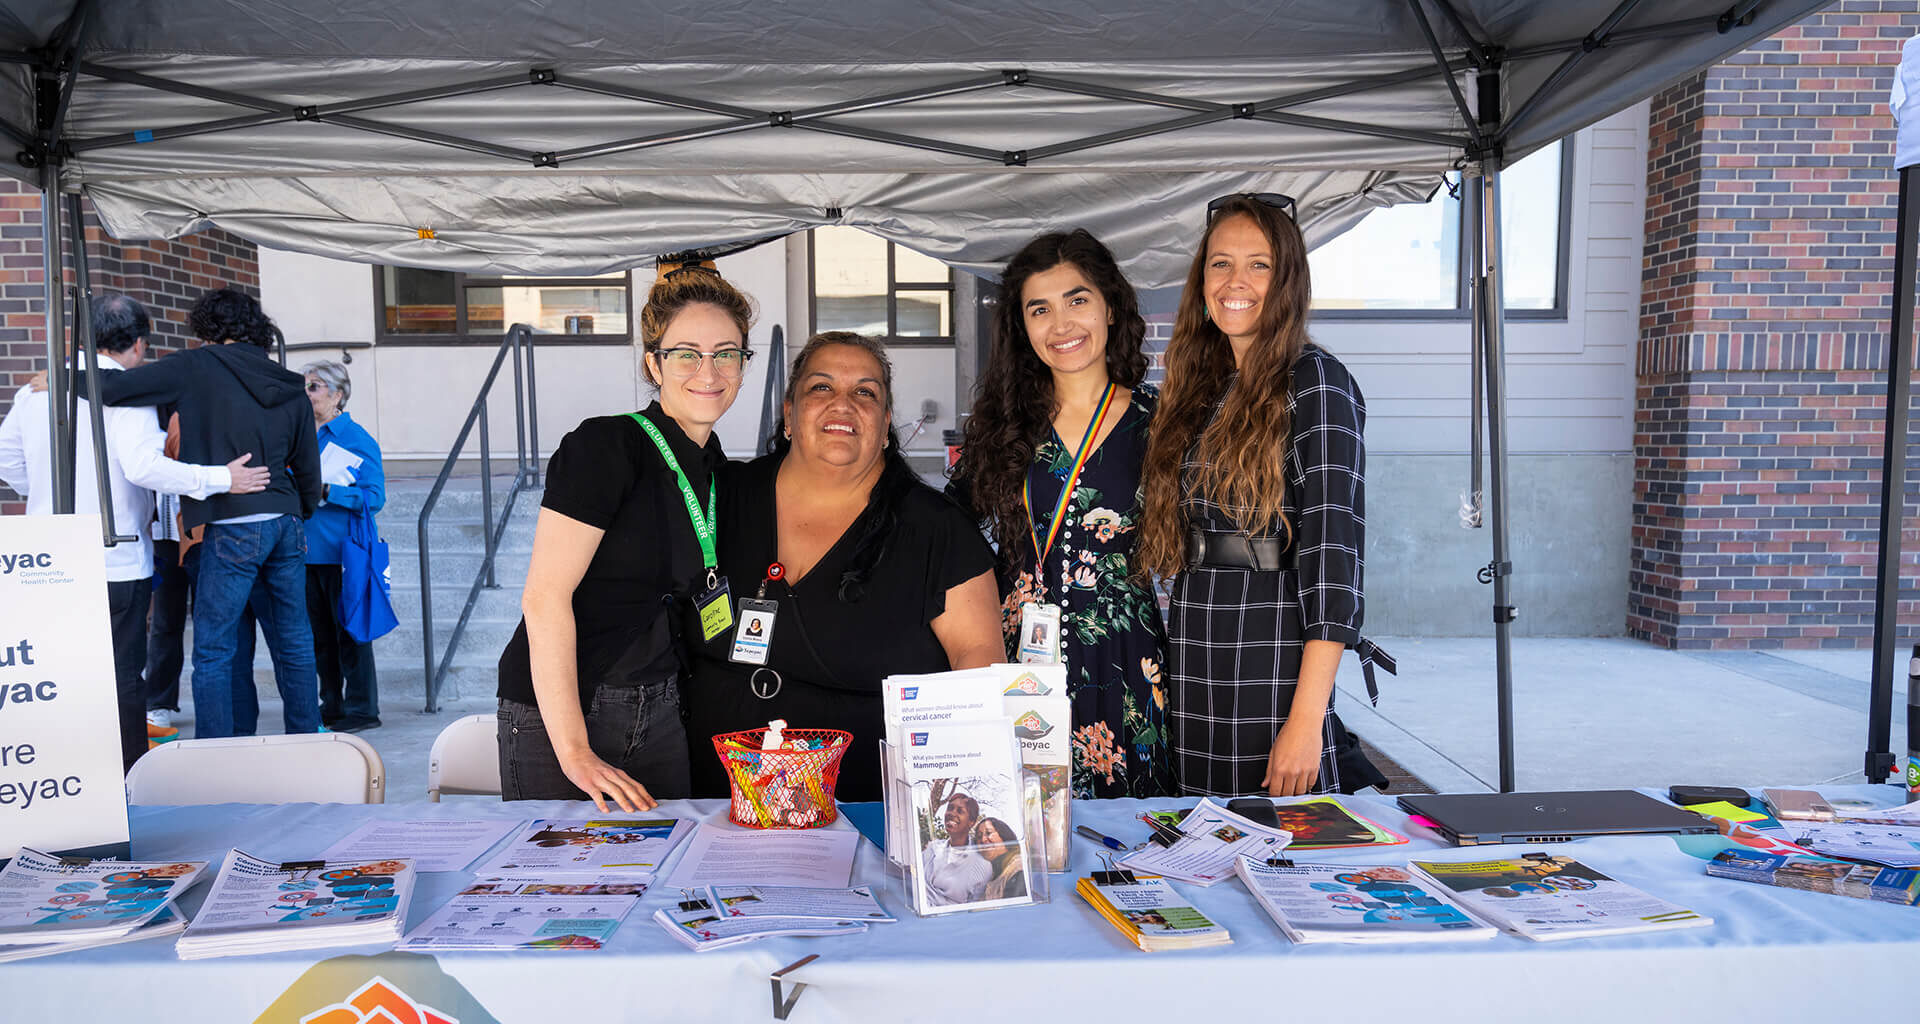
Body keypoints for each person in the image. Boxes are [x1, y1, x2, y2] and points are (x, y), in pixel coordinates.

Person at [687, 331, 1002, 802]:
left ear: (886, 423)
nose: (843, 404)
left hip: (868, 813)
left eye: (865, 392)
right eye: (821, 387)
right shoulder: (719, 498)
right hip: (715, 807)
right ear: (789, 413)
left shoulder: (938, 530)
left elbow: (978, 664)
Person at [1137, 193, 1381, 798]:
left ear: (1288, 280)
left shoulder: (1316, 381)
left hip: (1272, 636)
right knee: (1204, 824)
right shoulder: (1206, 386)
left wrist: (1306, 722)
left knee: (1275, 826)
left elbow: (1334, 559)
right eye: (1220, 264)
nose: (1235, 282)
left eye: (1259, 265)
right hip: (1198, 631)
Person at [497, 264, 756, 812]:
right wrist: (574, 752)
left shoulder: (715, 470)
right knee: (568, 863)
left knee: (667, 857)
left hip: (661, 707)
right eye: (686, 353)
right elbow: (543, 598)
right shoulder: (606, 446)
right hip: (570, 710)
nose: (708, 371)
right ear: (654, 364)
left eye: (726, 354)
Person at [949, 229, 1174, 799]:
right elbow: (946, 528)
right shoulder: (1003, 424)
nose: (1061, 324)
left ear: (1111, 308)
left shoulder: (1163, 422)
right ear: (1022, 327)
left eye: (1077, 300)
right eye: (1039, 309)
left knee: (1126, 826)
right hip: (1018, 657)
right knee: (1019, 813)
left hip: (1125, 654)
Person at [0, 293, 270, 766]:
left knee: (62, 674)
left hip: (46, 555)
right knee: (122, 674)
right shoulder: (129, 392)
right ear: (140, 345)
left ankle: (72, 773)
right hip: (115, 552)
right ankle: (127, 777)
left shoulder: (35, 391)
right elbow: (144, 467)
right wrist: (221, 478)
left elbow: (7, 459)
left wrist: (43, 493)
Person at [86, 287, 323, 739]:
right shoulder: (290, 382)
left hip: (230, 525)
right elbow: (308, 468)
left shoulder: (195, 366)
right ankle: (307, 741)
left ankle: (216, 753)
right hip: (285, 521)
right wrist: (300, 511)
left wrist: (61, 378)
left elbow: (111, 388)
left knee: (215, 648)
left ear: (206, 327)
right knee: (295, 641)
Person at [299, 360, 386, 733]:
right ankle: (331, 704)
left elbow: (375, 497)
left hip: (344, 551)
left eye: (314, 386)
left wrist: (328, 491)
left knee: (350, 633)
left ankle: (363, 708)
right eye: (304, 386)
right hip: (305, 552)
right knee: (318, 636)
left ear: (337, 395)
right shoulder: (301, 434)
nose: (306, 393)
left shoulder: (356, 438)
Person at [921, 793, 991, 906]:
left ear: (971, 822)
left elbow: (973, 907)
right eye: (950, 808)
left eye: (960, 811)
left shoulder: (982, 866)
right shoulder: (932, 848)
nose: (952, 813)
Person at [974, 816, 1027, 901]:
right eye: (979, 837)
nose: (983, 840)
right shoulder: (990, 875)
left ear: (1004, 835)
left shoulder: (1017, 868)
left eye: (988, 833)